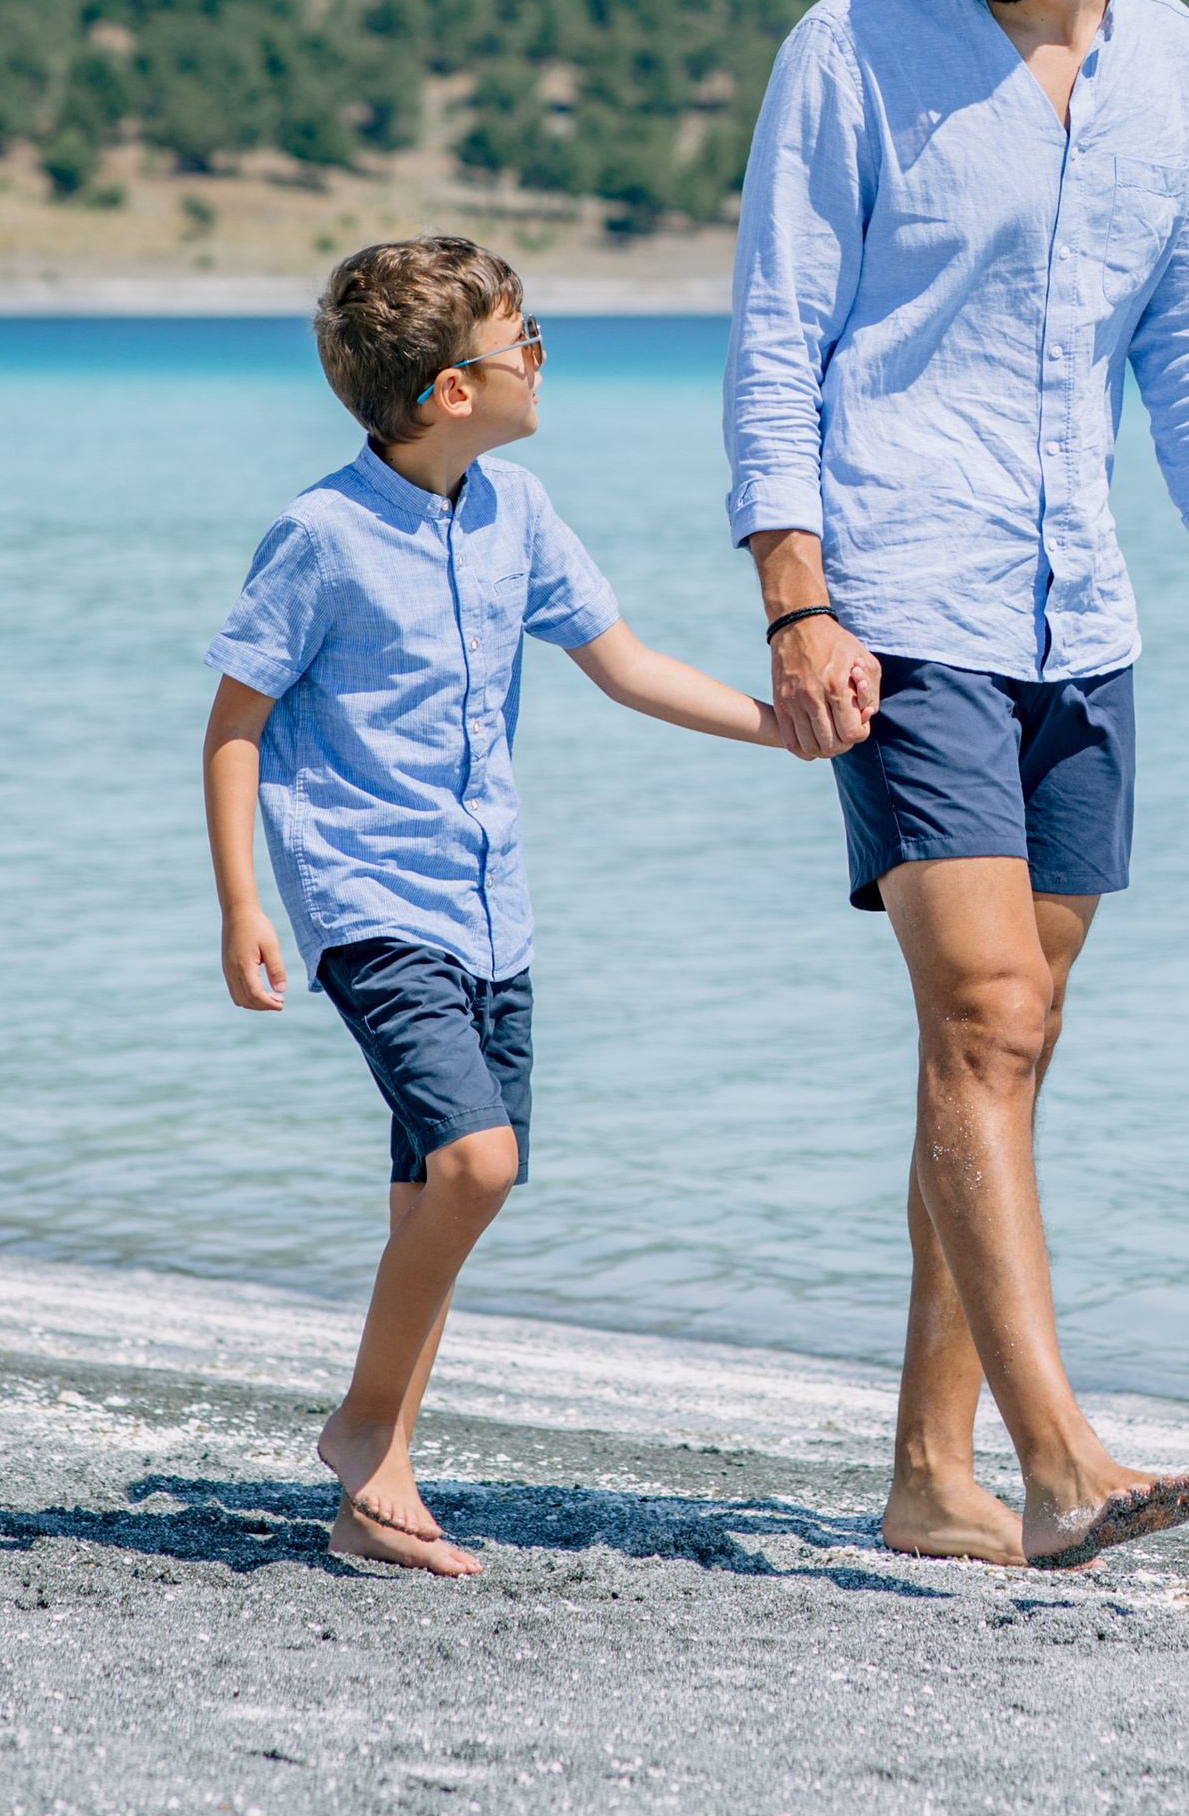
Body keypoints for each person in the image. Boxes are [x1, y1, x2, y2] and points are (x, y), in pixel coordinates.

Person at [725, 0, 1189, 1571]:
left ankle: (925, 1475)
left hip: (1085, 615)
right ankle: (1059, 1460)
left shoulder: (1177, 69)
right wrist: (797, 600)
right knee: (983, 1015)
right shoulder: (851, 50)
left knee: (1007, 1047)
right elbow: (774, 343)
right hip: (900, 598)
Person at [204, 237, 789, 1578]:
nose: (541, 356)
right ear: (452, 389)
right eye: (525, 337)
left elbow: (626, 665)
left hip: (490, 913)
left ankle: (375, 1488)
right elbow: (235, 726)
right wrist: (244, 900)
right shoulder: (321, 536)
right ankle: (361, 1428)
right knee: (480, 1164)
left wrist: (788, 732)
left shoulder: (518, 512)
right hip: (367, 902)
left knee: (433, 1195)